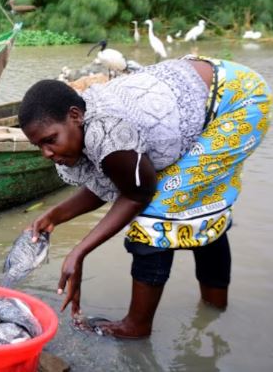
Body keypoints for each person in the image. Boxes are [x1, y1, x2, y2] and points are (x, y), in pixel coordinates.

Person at [18, 55, 271, 338]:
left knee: (154, 217)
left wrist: (79, 251)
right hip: (213, 85)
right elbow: (115, 181)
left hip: (238, 102)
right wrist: (55, 215)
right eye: (38, 145)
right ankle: (214, 309)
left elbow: (138, 194)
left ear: (76, 115)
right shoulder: (82, 128)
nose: (47, 154)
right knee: (200, 207)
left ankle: (136, 326)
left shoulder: (108, 132)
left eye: (50, 140)